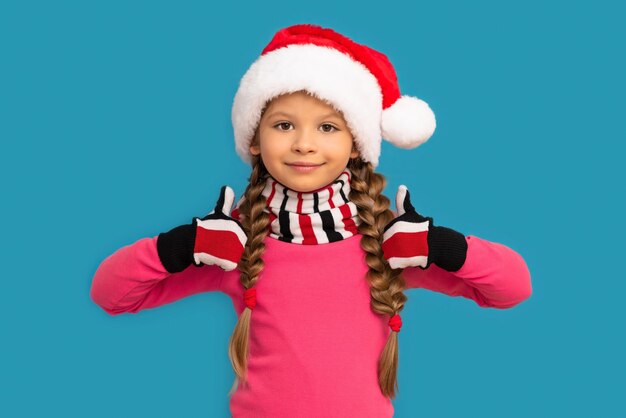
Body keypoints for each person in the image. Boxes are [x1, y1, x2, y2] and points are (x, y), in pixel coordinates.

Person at [90, 23, 532, 418]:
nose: (304, 144)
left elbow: (512, 288)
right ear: (255, 139)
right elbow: (112, 293)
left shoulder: (390, 242)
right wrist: (183, 244)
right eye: (283, 125)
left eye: (328, 127)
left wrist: (442, 246)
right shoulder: (234, 242)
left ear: (357, 144)